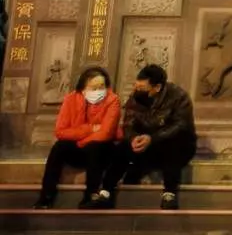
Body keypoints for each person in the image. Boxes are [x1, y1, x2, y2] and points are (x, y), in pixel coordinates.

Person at [113, 63, 196, 209]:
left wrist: (153, 138)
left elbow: (180, 126)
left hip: (176, 145)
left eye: (142, 88)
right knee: (122, 147)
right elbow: (128, 124)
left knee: (173, 145)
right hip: (147, 145)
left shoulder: (178, 96)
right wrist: (133, 138)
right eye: (137, 86)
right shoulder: (136, 97)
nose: (138, 90)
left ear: (157, 87)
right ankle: (106, 191)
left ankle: (169, 193)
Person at [37, 66, 121, 208]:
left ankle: (91, 195)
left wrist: (82, 141)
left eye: (102, 86)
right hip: (79, 149)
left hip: (101, 150)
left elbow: (106, 132)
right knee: (59, 147)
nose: (99, 91)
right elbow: (60, 131)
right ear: (83, 89)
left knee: (95, 146)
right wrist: (90, 129)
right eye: (94, 87)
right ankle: (46, 196)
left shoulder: (113, 100)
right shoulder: (71, 99)